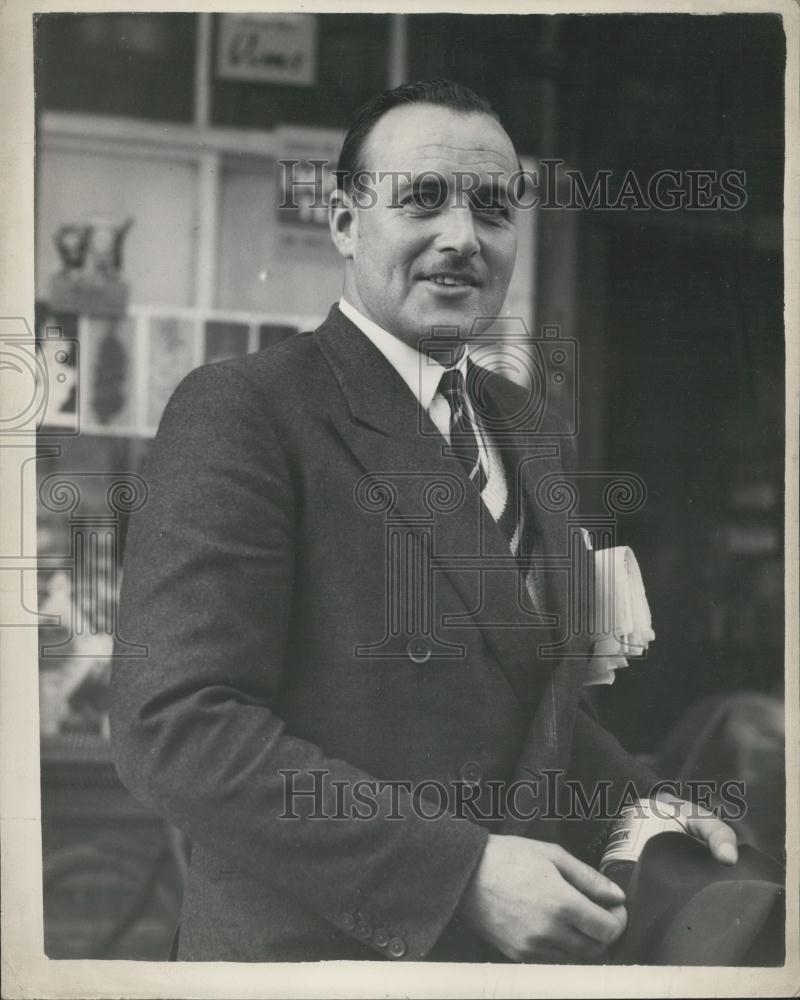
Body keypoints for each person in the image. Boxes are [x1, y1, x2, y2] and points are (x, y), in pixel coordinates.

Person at [110, 79, 739, 964]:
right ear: (342, 222)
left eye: (492, 209)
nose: (462, 239)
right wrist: (462, 871)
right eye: (423, 200)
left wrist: (641, 801)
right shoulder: (247, 410)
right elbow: (173, 724)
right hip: (311, 969)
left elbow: (524, 700)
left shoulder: (525, 426)